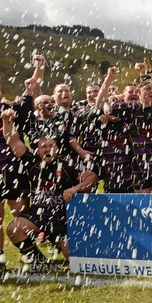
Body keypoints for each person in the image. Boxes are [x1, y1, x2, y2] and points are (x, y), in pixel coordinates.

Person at [2, 109, 98, 271]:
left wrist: (75, 189)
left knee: (75, 262)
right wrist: (6, 120)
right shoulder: (32, 162)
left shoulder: (67, 166)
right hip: (39, 215)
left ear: (58, 148)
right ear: (38, 150)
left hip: (61, 219)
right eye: (43, 147)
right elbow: (13, 141)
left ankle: (62, 245)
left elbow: (92, 177)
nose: (48, 149)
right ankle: (38, 260)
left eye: (52, 146)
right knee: (13, 229)